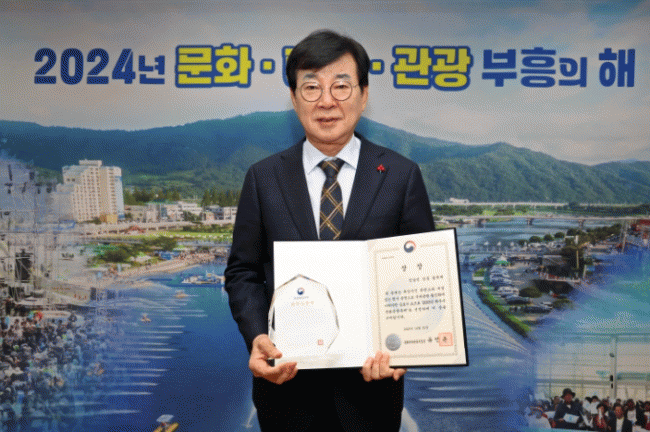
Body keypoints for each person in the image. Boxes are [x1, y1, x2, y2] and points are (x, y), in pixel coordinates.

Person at [224, 29, 434, 432]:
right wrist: (257, 336)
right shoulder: (263, 177)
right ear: (293, 97)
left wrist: (404, 347)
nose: (326, 101)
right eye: (311, 87)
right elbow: (243, 272)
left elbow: (421, 275)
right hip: (286, 393)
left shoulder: (401, 175)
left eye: (341, 86)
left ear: (364, 94)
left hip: (371, 396)